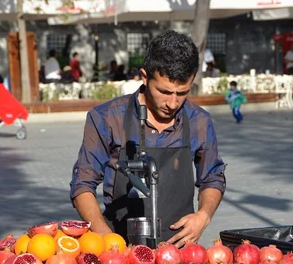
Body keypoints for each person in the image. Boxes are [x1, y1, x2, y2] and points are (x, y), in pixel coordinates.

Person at [70, 30, 226, 248]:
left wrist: (204, 215)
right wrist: (106, 239)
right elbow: (82, 184)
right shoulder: (106, 118)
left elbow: (212, 177)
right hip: (118, 247)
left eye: (182, 93)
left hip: (179, 251)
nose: (173, 103)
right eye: (164, 91)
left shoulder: (200, 121)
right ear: (144, 76)